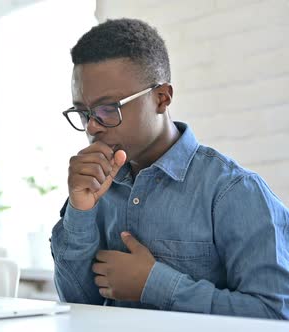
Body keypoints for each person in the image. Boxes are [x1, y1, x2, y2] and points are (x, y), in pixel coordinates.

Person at [50, 18, 289, 319]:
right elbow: (76, 306)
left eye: (109, 109)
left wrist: (155, 284)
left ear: (161, 98)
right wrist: (79, 210)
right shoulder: (97, 186)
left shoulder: (233, 191)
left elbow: (277, 314)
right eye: (83, 113)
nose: (93, 126)